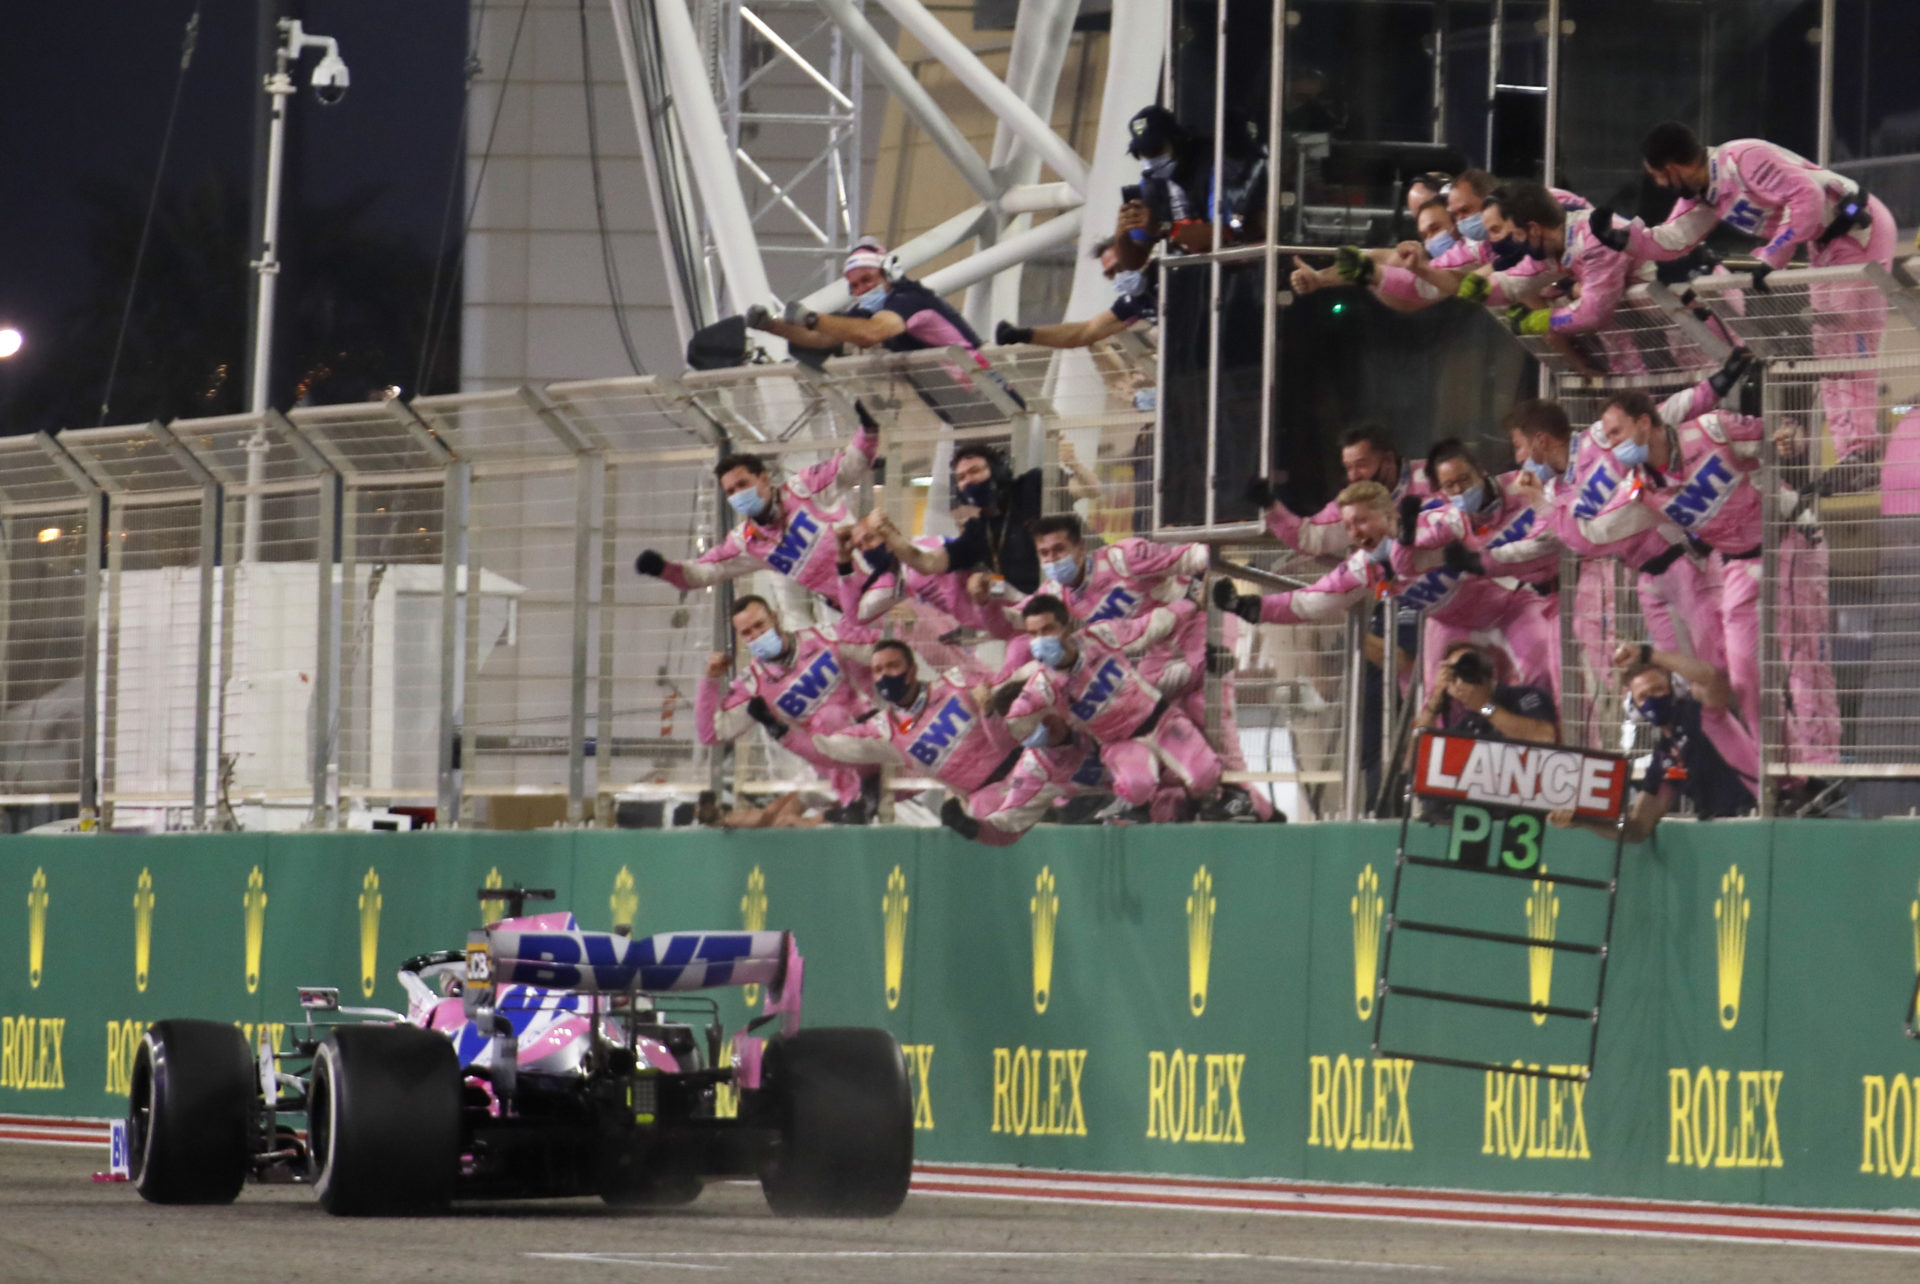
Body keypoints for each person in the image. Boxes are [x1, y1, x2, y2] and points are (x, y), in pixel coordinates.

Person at [1621, 122, 1898, 463]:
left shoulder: (1743, 159)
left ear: (1672, 167)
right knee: (1828, 348)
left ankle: (1862, 448)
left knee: (1850, 342)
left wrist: (1772, 255)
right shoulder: (1707, 194)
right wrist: (1625, 239)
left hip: (1859, 232)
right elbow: (1672, 239)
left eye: (1658, 176)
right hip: (1825, 242)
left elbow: (1807, 196)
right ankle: (1849, 453)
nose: (1661, 185)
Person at [1603, 375, 1841, 763]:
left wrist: (1788, 438)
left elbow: (1780, 432)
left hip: (1788, 537)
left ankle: (1822, 767)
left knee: (1800, 658)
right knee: (1744, 674)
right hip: (1737, 562)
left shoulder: (1710, 429)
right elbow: (1592, 530)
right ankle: (1783, 773)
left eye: (1617, 432)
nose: (1613, 444)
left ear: (1644, 422)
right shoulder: (1638, 488)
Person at [1215, 481, 1560, 698]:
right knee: (1434, 703)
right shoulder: (1364, 565)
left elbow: (1455, 525)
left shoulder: (1430, 517)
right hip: (1449, 625)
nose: (1355, 532)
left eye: (1362, 521)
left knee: (1542, 676)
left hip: (1508, 607)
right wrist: (1248, 606)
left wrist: (1408, 539)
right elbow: (1310, 603)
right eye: (1349, 526)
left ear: (1388, 515)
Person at [810, 640, 1080, 848]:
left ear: (912, 670)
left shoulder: (956, 682)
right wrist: (796, 728)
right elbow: (828, 747)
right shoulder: (882, 732)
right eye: (878, 670)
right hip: (983, 796)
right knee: (985, 821)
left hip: (1024, 761)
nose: (885, 675)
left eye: (892, 666)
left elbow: (1007, 682)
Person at [1003, 597, 1231, 823]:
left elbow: (1149, 625)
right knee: (1137, 788)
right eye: (1033, 634)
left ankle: (1204, 800)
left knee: (1206, 776)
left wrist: (1190, 604)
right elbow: (1015, 715)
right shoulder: (1042, 683)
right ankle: (1128, 806)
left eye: (1048, 630)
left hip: (1160, 719)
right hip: (1120, 743)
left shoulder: (1099, 636)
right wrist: (1002, 715)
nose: (1040, 640)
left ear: (1067, 627)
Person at [633, 401, 878, 598]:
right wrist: (663, 569)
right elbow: (703, 572)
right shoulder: (746, 542)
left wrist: (868, 430)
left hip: (883, 574)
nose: (738, 494)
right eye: (730, 491)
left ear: (764, 478)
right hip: (855, 608)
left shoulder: (802, 488)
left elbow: (849, 467)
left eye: (743, 484)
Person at [1395, 439, 1563, 696]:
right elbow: (1406, 565)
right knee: (1442, 689)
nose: (1460, 490)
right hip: (1486, 607)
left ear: (1481, 471)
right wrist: (1405, 535)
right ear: (1442, 492)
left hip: (1549, 591)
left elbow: (1553, 530)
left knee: (1545, 673)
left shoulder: (1520, 485)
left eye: (1464, 479)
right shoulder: (1451, 520)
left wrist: (1481, 560)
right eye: (1450, 485)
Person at [1549, 643, 1758, 841]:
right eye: (1643, 696)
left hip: (1757, 812)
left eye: (1658, 689)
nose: (1652, 700)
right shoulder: (1663, 757)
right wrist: (1583, 820)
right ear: (1634, 709)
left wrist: (1648, 654)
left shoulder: (1701, 713)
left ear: (1674, 689)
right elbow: (1637, 828)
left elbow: (1711, 677)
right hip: (1727, 830)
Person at [696, 595, 881, 818]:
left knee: (834, 715)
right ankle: (857, 797)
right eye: (747, 633)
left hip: (874, 736)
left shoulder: (823, 637)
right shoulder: (753, 684)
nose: (756, 635)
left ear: (775, 617)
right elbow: (712, 734)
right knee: (828, 719)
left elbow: (882, 649)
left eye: (760, 625)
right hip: (831, 765)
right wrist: (711, 680)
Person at [1486, 181, 1646, 375]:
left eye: (1518, 235)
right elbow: (1514, 281)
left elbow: (1593, 312)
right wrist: (1475, 290)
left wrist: (1539, 319)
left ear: (1534, 229)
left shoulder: (1594, 239)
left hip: (1672, 303)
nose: (1515, 243)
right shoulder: (1557, 244)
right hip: (1652, 319)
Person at [748, 237, 984, 355]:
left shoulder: (910, 299)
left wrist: (810, 318)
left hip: (982, 381)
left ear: (888, 274)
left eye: (867, 280)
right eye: (855, 286)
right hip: (956, 394)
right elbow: (822, 338)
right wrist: (772, 326)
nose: (862, 289)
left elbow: (871, 333)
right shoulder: (869, 313)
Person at [872, 443, 1045, 596]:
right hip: (1026, 607)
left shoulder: (1030, 487)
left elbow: (1063, 487)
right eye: (961, 478)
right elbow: (927, 563)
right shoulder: (976, 532)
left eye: (974, 471)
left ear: (998, 472)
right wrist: (890, 535)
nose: (968, 481)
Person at [1245, 424, 1426, 560]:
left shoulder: (1431, 476)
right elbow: (1309, 538)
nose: (1353, 476)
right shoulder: (1350, 504)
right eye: (1348, 468)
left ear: (1388, 460)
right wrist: (1270, 505)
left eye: (1361, 465)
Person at [995, 238, 1157, 350]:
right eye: (1110, 273)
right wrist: (1024, 335)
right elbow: (1085, 332)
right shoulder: (1131, 302)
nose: (1118, 275)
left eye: (1119, 266)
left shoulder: (1162, 271)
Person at [1410, 640, 1559, 751]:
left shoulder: (1524, 696)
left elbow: (1544, 737)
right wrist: (1435, 700)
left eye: (1469, 666)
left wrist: (1484, 706)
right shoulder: (1466, 725)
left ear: (1490, 671)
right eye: (1454, 672)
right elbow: (1416, 758)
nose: (1462, 677)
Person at [1114, 105, 1214, 267]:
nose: (1148, 160)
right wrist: (1122, 233)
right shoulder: (1150, 185)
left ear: (1175, 140)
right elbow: (1133, 262)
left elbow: (1222, 233)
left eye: (1154, 150)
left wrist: (1163, 227)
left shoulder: (1210, 165)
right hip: (1194, 272)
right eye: (1141, 153)